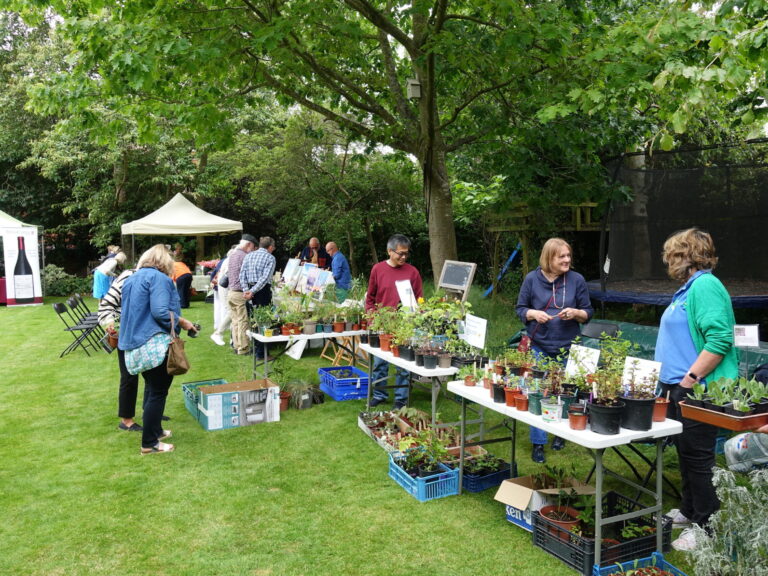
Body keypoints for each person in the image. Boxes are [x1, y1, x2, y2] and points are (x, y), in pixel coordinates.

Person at [654, 227, 738, 552]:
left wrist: (688, 380)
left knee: (699, 459)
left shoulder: (705, 286)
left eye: (670, 255)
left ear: (685, 255)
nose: (667, 261)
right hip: (678, 388)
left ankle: (707, 527)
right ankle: (689, 511)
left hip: (698, 390)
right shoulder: (687, 290)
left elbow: (719, 339)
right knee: (686, 454)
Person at [516, 237, 593, 463]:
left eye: (569, 256)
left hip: (568, 345)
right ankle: (538, 442)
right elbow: (520, 308)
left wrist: (576, 313)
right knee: (540, 391)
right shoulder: (532, 279)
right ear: (549, 257)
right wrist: (533, 314)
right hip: (539, 344)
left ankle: (560, 434)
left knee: (564, 391)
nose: (567, 260)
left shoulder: (577, 280)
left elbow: (588, 311)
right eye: (562, 256)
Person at [119, 244, 198, 454]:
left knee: (153, 389)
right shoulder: (160, 279)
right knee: (157, 392)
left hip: (134, 343)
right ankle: (150, 443)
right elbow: (161, 312)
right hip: (154, 343)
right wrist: (183, 322)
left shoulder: (131, 279)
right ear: (165, 262)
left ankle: (156, 430)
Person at [365, 234, 423, 410]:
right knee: (380, 363)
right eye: (400, 253)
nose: (403, 257)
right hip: (382, 325)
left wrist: (414, 316)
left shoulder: (412, 272)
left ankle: (401, 398)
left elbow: (419, 300)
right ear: (390, 251)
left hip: (404, 326)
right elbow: (370, 299)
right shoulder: (378, 269)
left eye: (406, 254)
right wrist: (373, 318)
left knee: (402, 365)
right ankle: (380, 394)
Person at [98, 265, 142, 432]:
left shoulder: (157, 277)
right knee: (129, 376)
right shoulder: (128, 276)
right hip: (127, 331)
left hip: (146, 332)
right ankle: (126, 420)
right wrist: (110, 323)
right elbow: (106, 305)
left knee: (153, 374)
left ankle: (151, 411)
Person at [241, 236, 277, 360]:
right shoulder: (270, 258)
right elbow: (265, 278)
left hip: (250, 290)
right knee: (263, 322)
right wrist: (252, 291)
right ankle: (262, 354)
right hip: (261, 291)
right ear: (270, 247)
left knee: (253, 321)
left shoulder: (248, 255)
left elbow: (242, 274)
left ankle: (257, 351)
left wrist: (247, 290)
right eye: (274, 247)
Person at [227, 234, 258, 355]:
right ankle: (244, 348)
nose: (253, 250)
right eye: (253, 247)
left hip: (231, 292)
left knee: (235, 321)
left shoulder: (233, 255)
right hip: (240, 293)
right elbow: (249, 276)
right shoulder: (244, 256)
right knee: (243, 321)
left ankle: (236, 345)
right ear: (248, 244)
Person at [210, 246, 236, 346]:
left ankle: (233, 339)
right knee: (232, 312)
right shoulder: (230, 261)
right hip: (225, 288)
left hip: (223, 288)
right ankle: (218, 333)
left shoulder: (226, 260)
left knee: (233, 312)